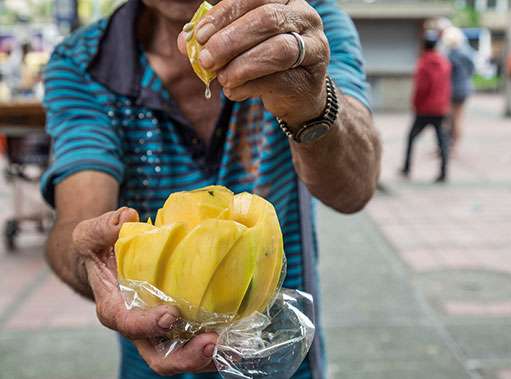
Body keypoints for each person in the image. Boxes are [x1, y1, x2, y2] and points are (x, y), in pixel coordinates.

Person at [41, 0, 382, 378]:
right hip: (150, 366)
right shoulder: (81, 63)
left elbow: (355, 187)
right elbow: (79, 214)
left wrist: (310, 102)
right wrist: (94, 261)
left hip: (281, 359)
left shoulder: (305, 27)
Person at [401, 31, 451, 183]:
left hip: (424, 109)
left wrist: (415, 105)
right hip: (440, 109)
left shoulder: (423, 64)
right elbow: (447, 86)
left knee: (411, 138)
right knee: (442, 140)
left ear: (424, 45)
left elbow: (421, 88)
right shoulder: (444, 63)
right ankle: (443, 172)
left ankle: (407, 168)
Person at [441, 26, 475, 152]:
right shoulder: (467, 53)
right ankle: (454, 146)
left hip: (451, 90)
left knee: (449, 120)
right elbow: (472, 71)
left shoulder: (449, 55)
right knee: (458, 119)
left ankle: (448, 147)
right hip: (464, 89)